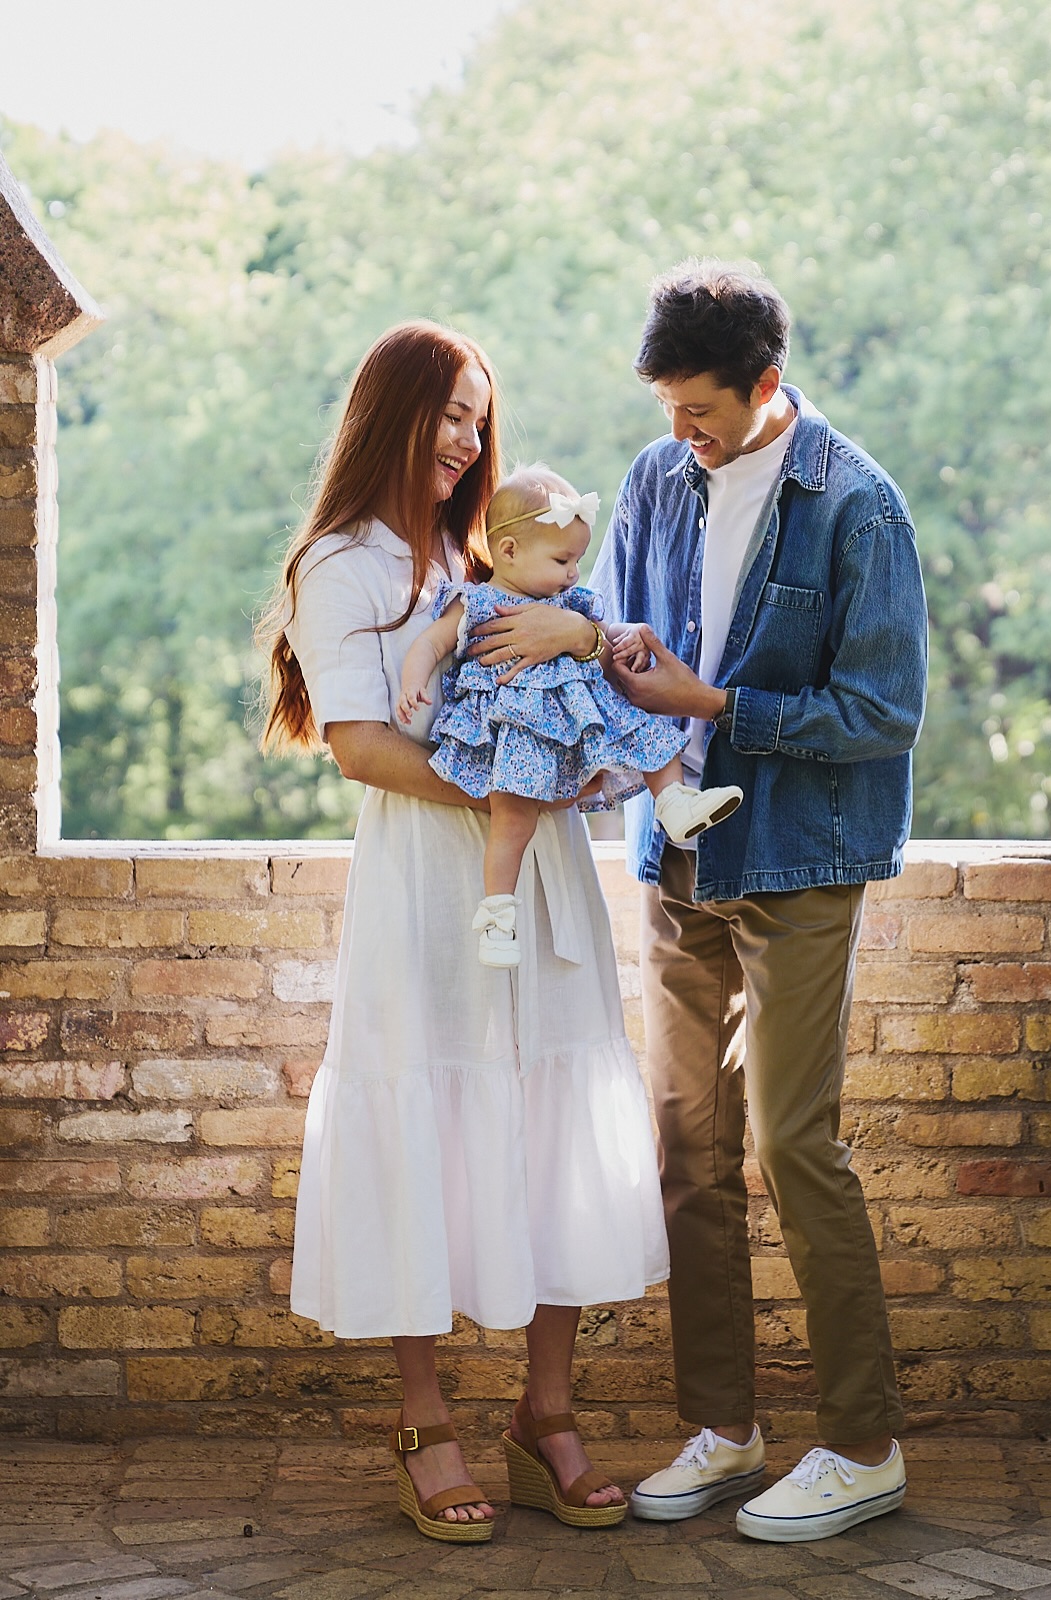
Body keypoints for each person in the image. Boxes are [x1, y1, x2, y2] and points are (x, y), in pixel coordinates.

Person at [261, 321, 670, 1543]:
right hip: (429, 893)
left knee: (553, 1118)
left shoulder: (486, 548)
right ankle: (425, 1419)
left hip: (539, 883)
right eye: (449, 411)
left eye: (480, 415)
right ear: (391, 412)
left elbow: (587, 679)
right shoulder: (342, 562)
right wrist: (511, 787)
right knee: (422, 1123)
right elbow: (360, 744)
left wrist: (587, 707)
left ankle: (546, 1418)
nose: (469, 438)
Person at [591, 261, 927, 1543]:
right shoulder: (652, 480)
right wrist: (618, 678)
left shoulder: (859, 507)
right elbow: (626, 636)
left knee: (796, 1143)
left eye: (703, 413)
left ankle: (864, 1442)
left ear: (767, 385)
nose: (684, 434)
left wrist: (717, 706)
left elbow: (882, 714)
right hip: (673, 857)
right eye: (671, 408)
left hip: (798, 861)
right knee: (690, 1153)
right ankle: (725, 1429)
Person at [397, 463, 743, 966]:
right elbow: (431, 643)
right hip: (515, 731)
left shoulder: (570, 602)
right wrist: (414, 681)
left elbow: (604, 635)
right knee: (512, 820)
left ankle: (673, 803)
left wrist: (623, 638)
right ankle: (497, 914)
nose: (573, 573)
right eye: (563, 559)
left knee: (650, 733)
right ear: (510, 551)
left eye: (577, 560)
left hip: (577, 720)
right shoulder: (475, 603)